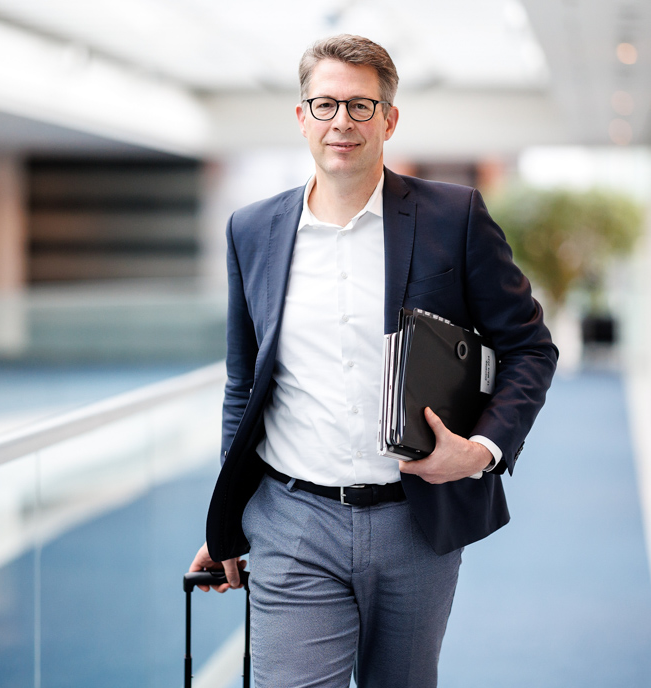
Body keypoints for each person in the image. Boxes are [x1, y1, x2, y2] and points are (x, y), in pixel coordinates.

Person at [187, 34, 558, 687]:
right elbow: (244, 387)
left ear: (389, 119)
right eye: (325, 104)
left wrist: (481, 451)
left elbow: (530, 346)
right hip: (291, 519)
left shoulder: (453, 218)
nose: (342, 123)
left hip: (414, 517)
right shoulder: (252, 231)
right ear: (301, 117)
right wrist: (229, 524)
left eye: (361, 107)